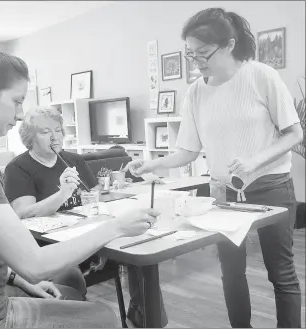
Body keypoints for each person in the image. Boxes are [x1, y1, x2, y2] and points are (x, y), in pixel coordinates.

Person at [0, 42, 160, 328]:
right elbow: (35, 264)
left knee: (73, 295)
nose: (21, 113)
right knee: (103, 318)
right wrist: (116, 227)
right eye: (16, 101)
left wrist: (16, 278)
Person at [124, 7, 303, 328]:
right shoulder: (195, 92)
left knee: (281, 272)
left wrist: (254, 159)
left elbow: (295, 133)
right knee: (231, 272)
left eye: (203, 53)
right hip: (224, 193)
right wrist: (152, 163)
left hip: (271, 187)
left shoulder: (261, 75)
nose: (197, 61)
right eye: (191, 54)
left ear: (230, 45)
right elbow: (187, 151)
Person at [4, 106, 169, 327]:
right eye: (45, 132)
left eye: (58, 130)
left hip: (86, 232)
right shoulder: (18, 167)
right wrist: (62, 193)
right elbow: (23, 213)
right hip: (51, 246)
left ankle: (144, 318)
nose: (55, 137)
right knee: (69, 280)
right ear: (30, 138)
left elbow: (94, 197)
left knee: (137, 247)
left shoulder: (75, 160)